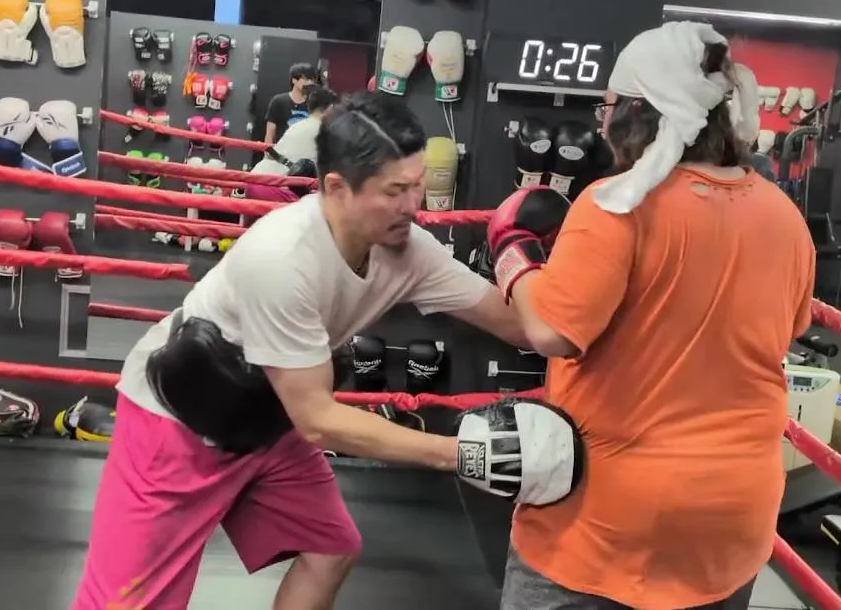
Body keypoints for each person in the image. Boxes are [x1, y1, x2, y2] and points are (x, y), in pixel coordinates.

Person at [72, 92, 536, 610]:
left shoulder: (410, 251)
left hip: (271, 414)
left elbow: (524, 326)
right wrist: (463, 454)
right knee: (126, 603)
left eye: (417, 184)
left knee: (330, 549)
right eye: (395, 190)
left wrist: (525, 261)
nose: (414, 206)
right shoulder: (282, 257)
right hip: (178, 425)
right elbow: (318, 421)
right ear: (336, 187)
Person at [487, 22, 816, 610]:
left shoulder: (617, 204)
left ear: (639, 112)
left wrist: (513, 252)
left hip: (608, 519)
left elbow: (549, 331)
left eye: (608, 107)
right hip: (733, 516)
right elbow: (787, 330)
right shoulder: (784, 216)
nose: (602, 123)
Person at [264, 62, 321, 145]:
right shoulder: (278, 101)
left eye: (311, 80)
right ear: (294, 80)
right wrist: (268, 151)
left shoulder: (314, 103)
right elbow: (270, 133)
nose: (309, 83)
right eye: (305, 79)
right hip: (282, 149)